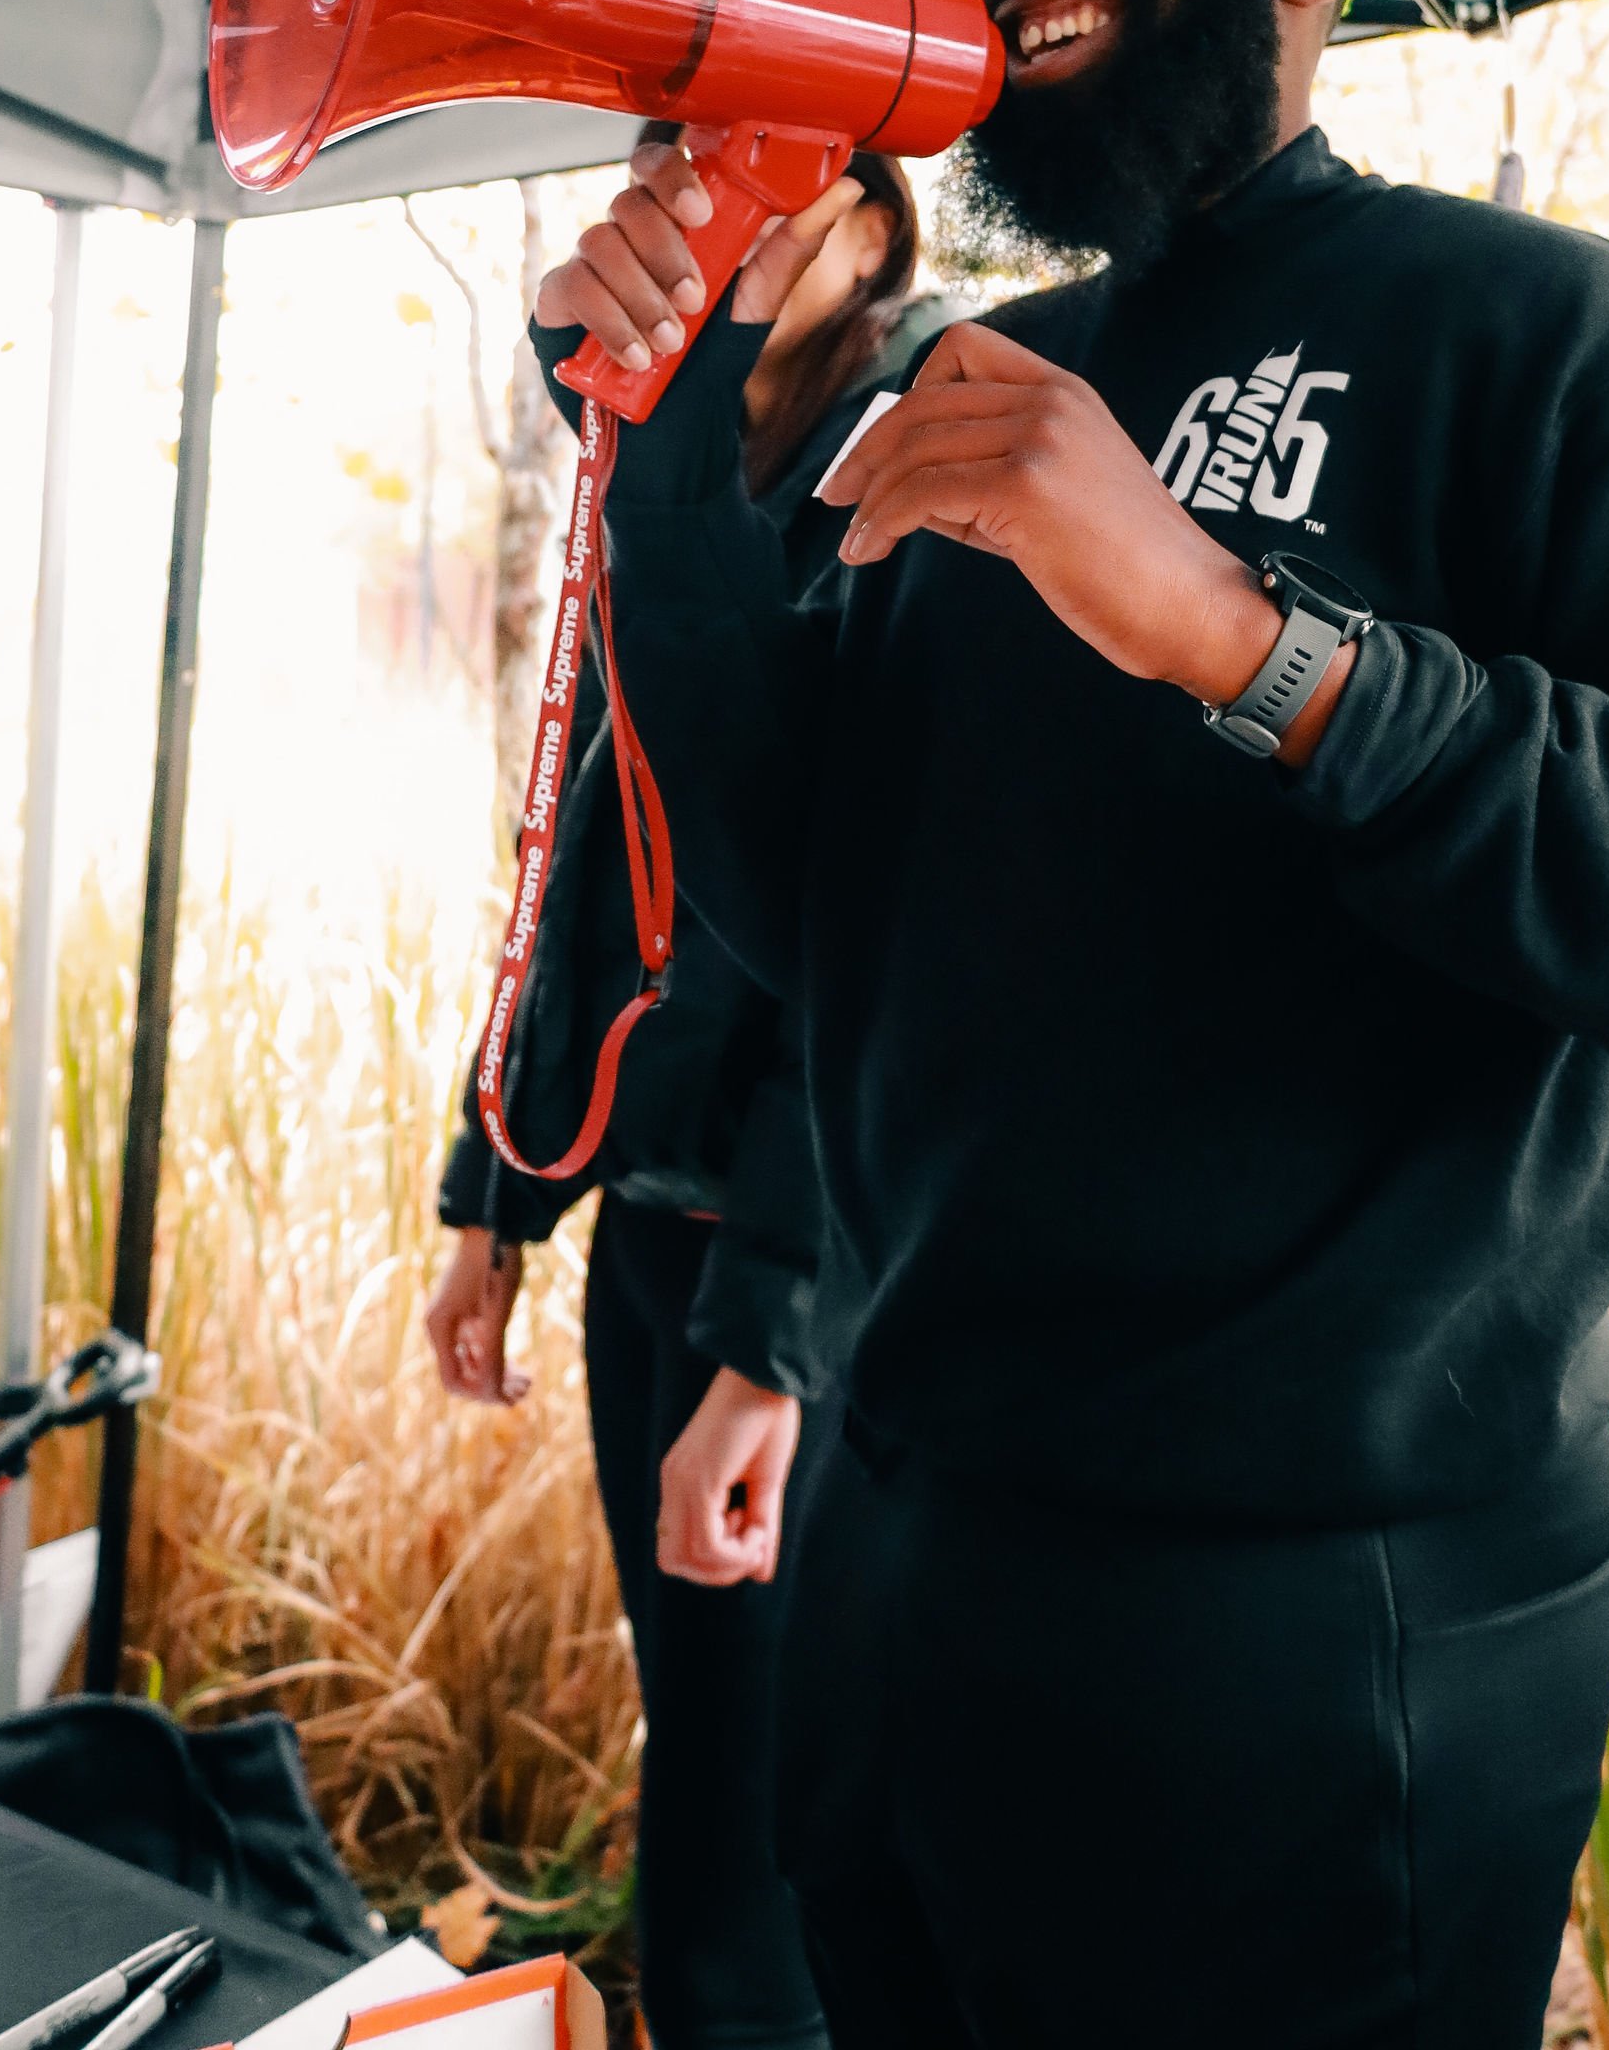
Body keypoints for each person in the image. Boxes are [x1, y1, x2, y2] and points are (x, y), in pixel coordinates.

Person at [531, 0, 1609, 2050]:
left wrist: (1245, 642)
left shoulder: (1527, 329)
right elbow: (819, 931)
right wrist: (680, 445)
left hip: (1316, 1637)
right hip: (907, 1572)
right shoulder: (968, 375)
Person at [429, 147, 935, 2050]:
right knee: (705, 1745)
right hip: (646, 1234)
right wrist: (493, 1198)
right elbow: (576, 865)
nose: (680, 209)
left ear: (869, 228)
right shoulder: (664, 467)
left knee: (777, 1807)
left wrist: (777, 1347)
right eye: (656, 171)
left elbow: (870, 949)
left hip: (812, 1279)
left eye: (733, 181)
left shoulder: (921, 463)